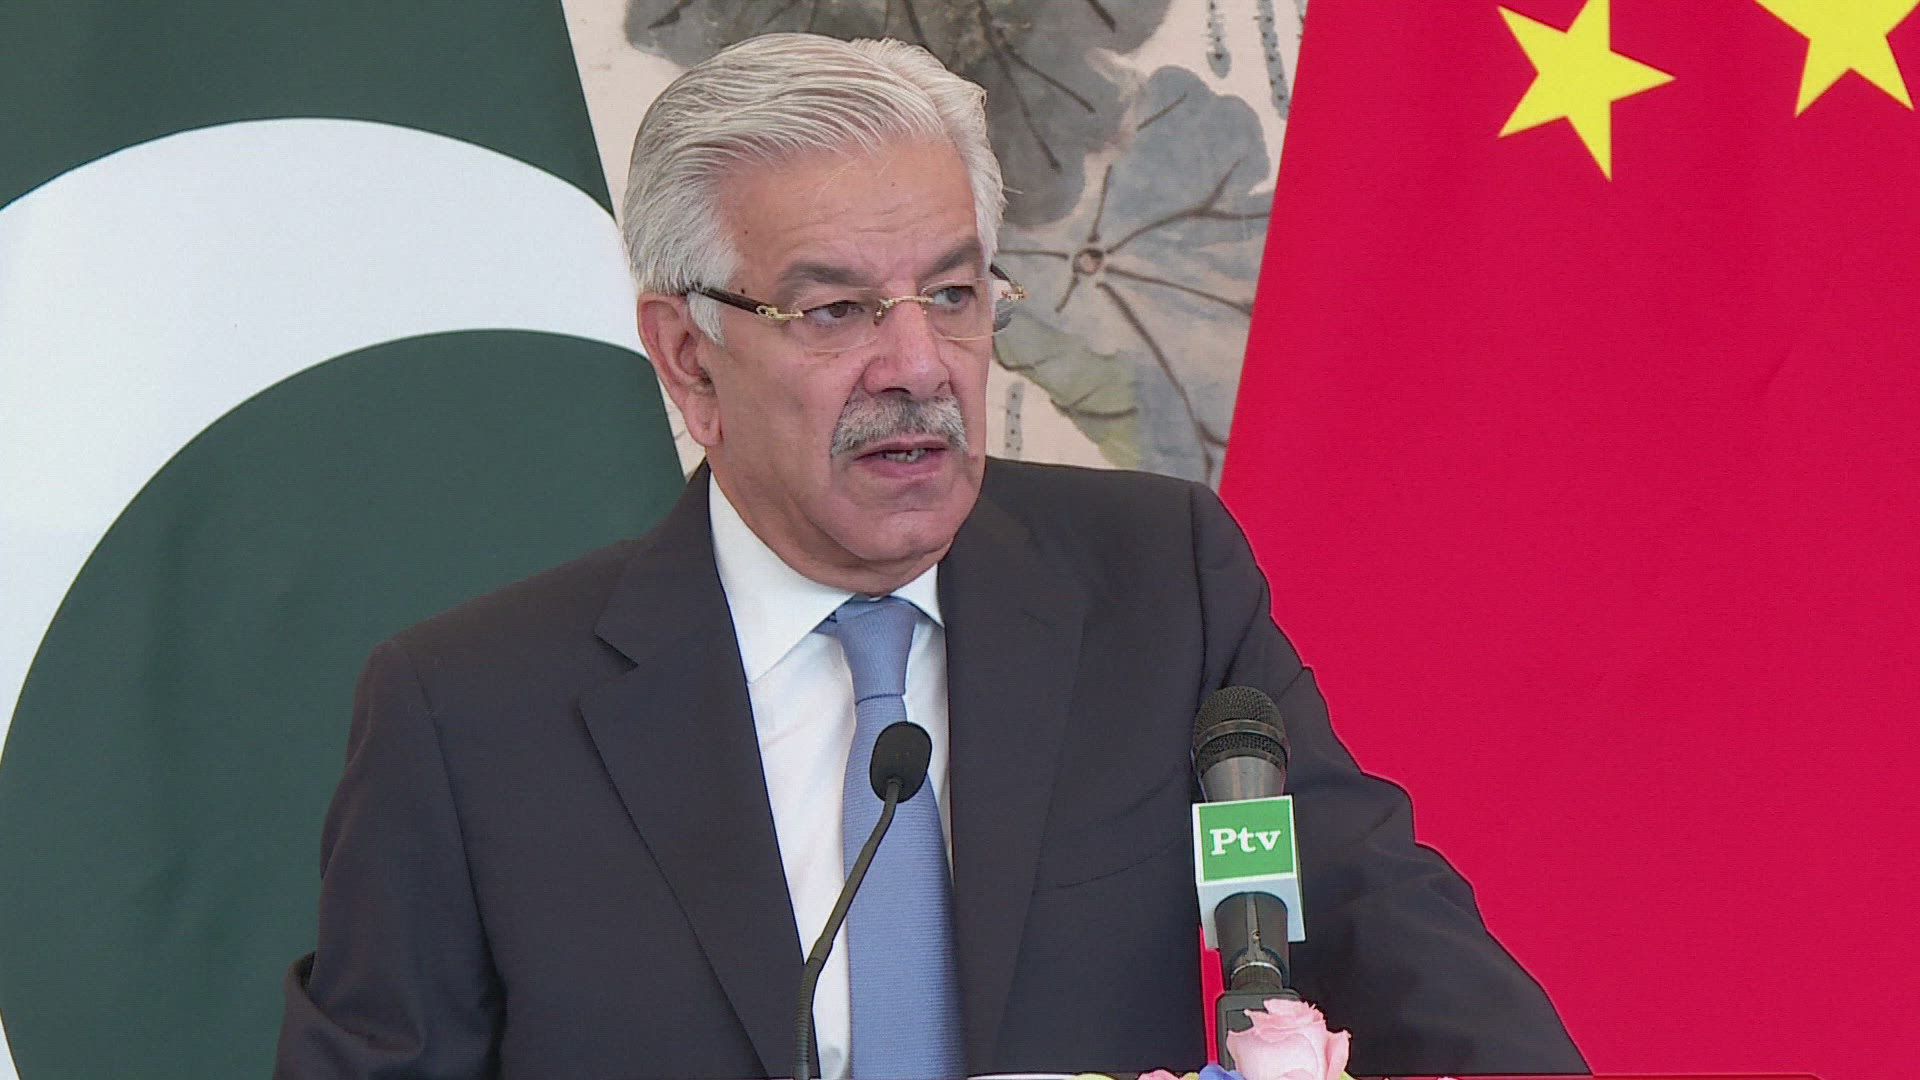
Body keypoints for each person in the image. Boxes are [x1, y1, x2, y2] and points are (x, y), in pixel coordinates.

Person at [276, 33, 1586, 1080]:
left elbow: (1374, 913)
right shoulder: (471, 715)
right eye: (836, 309)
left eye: (954, 295)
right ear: (689, 358)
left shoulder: (1157, 583)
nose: (917, 366)